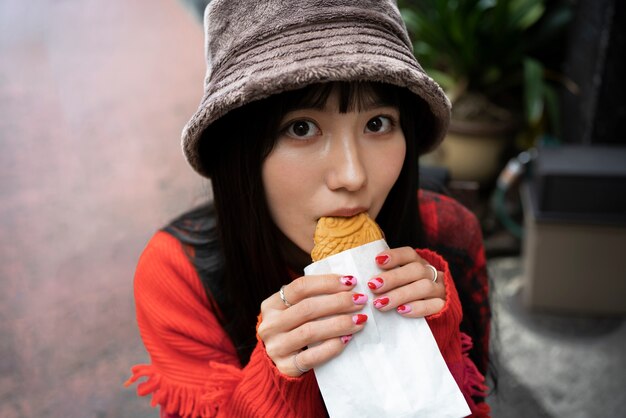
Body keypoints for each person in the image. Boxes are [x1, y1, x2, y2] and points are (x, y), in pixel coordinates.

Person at [125, 0, 491, 417]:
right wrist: (276, 383)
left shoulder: (449, 233)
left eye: (377, 124)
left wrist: (435, 337)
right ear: (238, 153)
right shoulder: (178, 274)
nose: (352, 176)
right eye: (302, 128)